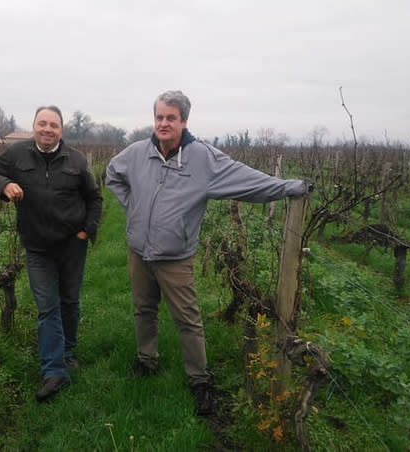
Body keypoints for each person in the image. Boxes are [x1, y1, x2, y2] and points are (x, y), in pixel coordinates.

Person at [105, 90, 312, 416]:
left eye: (170, 118)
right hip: (139, 252)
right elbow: (112, 174)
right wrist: (133, 208)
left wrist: (286, 187)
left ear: (183, 121)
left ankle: (199, 380)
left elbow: (247, 180)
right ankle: (147, 360)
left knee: (188, 320)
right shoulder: (136, 153)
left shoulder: (203, 158)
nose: (163, 123)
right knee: (143, 310)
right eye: (159, 117)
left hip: (175, 258)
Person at [0, 105, 102, 402]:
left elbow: (94, 197)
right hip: (37, 247)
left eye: (53, 125)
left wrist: (86, 231)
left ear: (62, 130)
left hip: (72, 244)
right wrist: (4, 183)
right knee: (48, 306)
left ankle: (67, 351)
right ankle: (53, 370)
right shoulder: (17, 154)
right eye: (42, 123)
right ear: (34, 126)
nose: (47, 129)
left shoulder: (76, 159)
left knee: (69, 301)